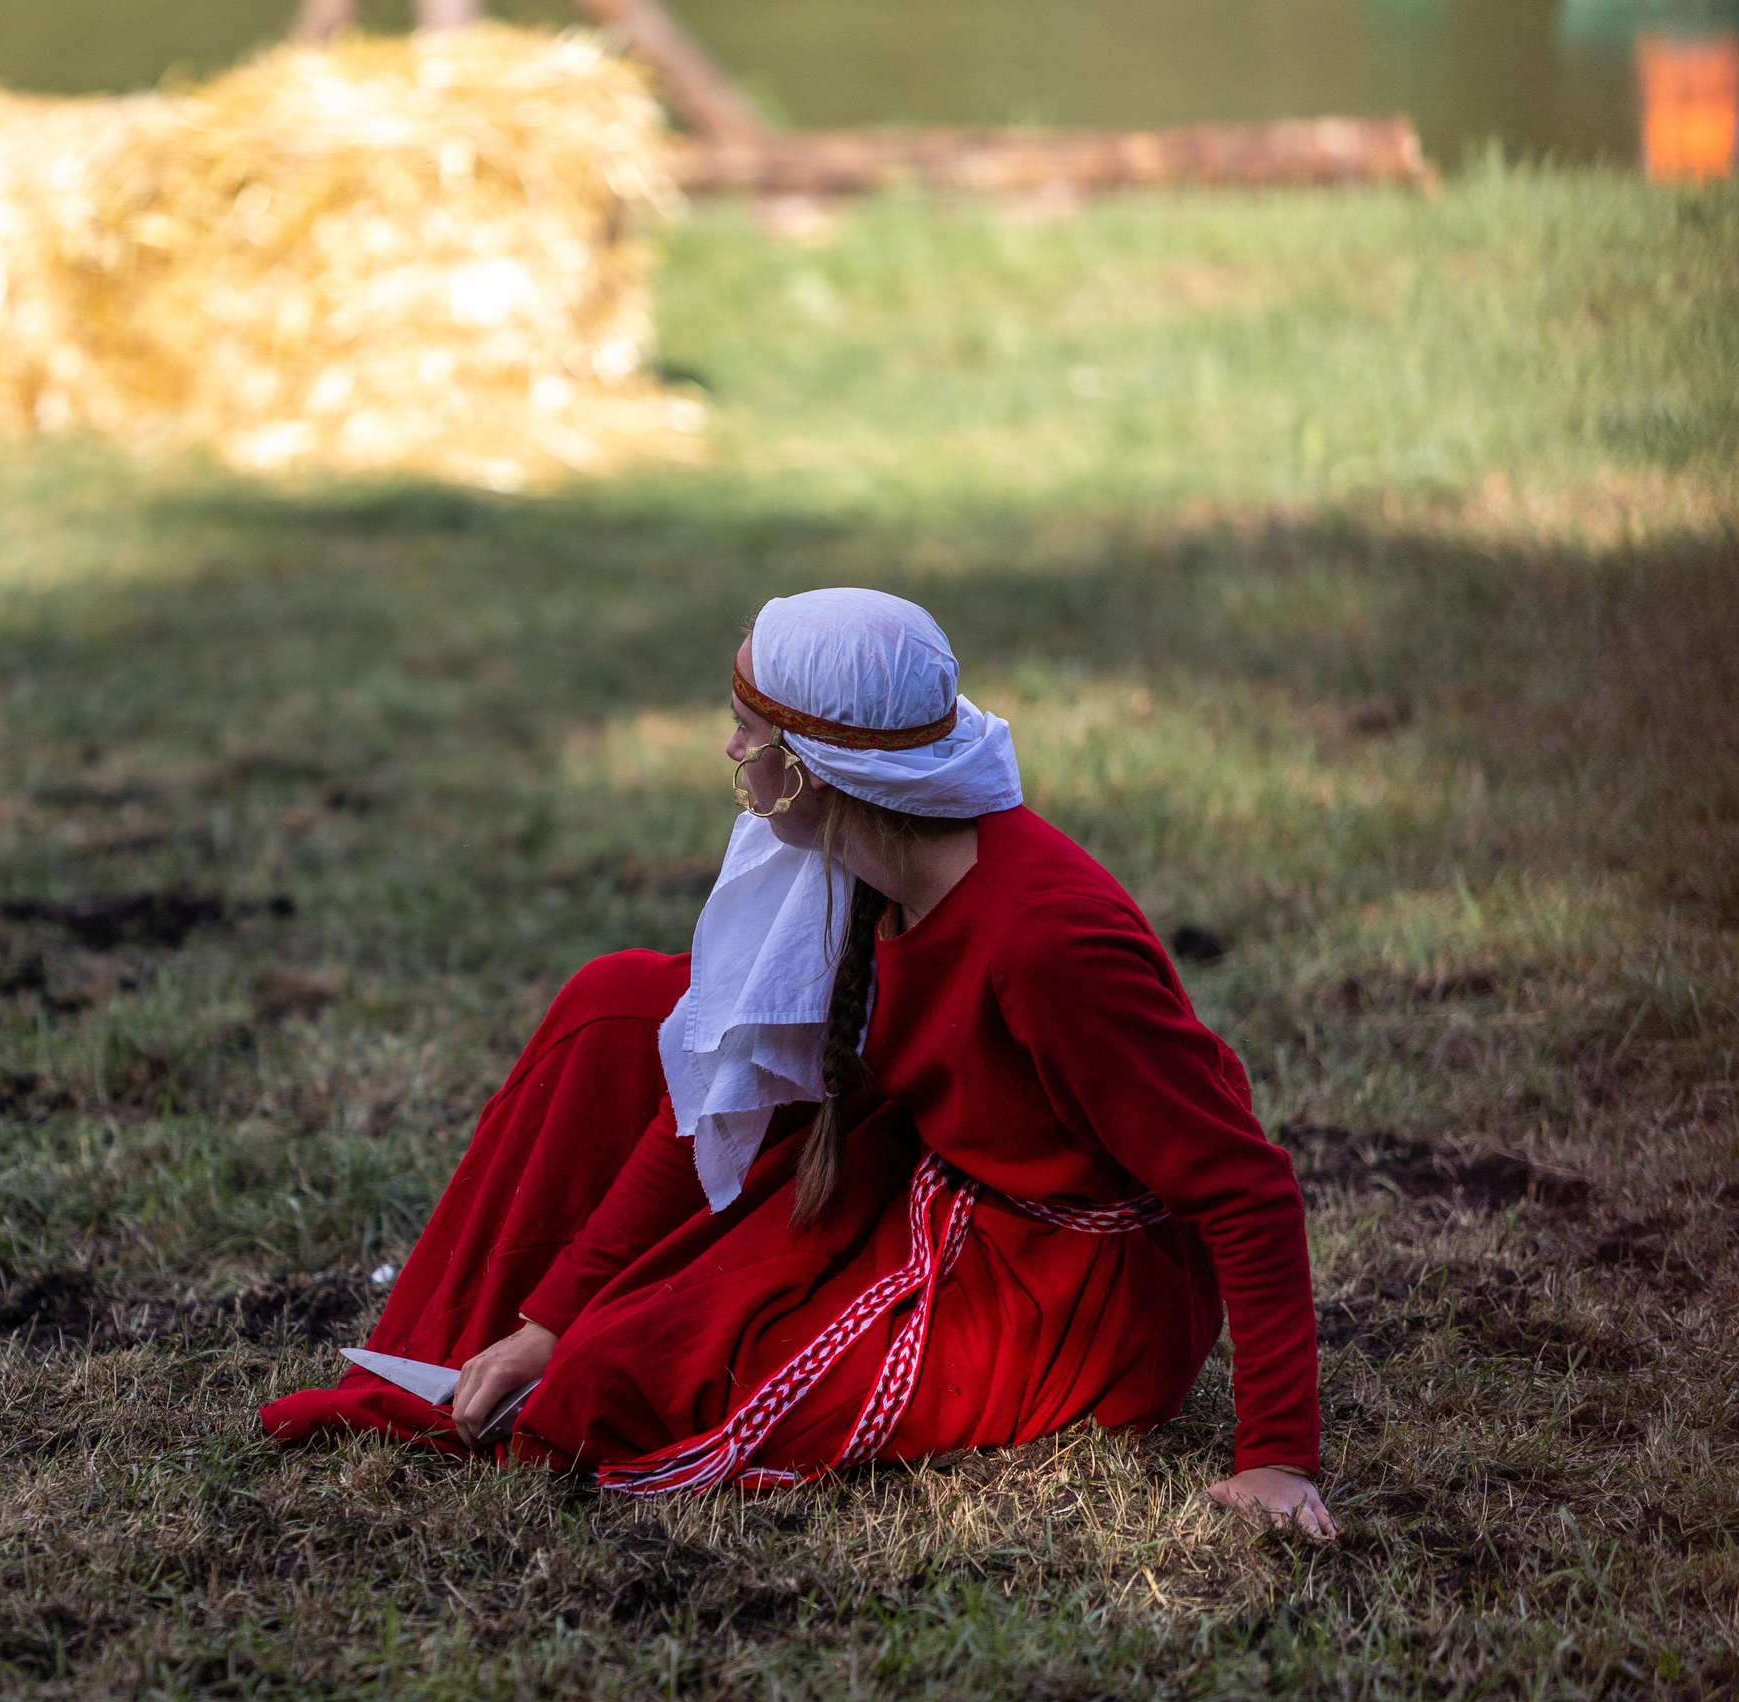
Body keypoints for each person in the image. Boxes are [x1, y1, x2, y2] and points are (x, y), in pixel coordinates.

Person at [261, 588, 1332, 1534]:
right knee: (618, 1008)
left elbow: (1242, 1186)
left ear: (813, 764)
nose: (731, 750)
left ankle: (580, 1358)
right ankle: (467, 1339)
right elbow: (716, 1091)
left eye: (746, 728)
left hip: (1063, 1279)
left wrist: (1276, 1459)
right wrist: (546, 1315)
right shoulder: (841, 856)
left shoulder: (1047, 943)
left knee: (606, 1390)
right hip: (928, 1162)